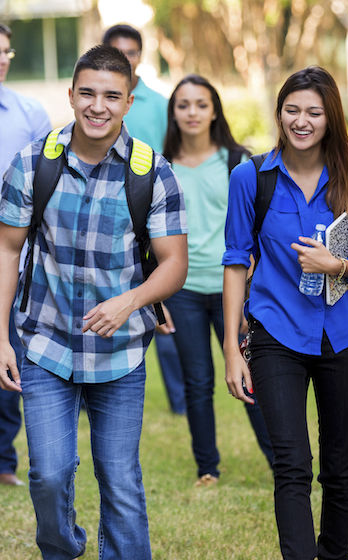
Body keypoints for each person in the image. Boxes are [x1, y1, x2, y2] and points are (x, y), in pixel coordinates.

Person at [0, 45, 188, 559]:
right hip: (45, 344)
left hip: (121, 354)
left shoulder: (152, 171)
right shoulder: (35, 162)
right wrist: (1, 339)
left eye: (111, 95)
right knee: (48, 473)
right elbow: (7, 248)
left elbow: (174, 263)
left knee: (120, 479)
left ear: (129, 101)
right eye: (87, 93)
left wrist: (131, 301)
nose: (97, 106)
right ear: (71, 95)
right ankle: (64, 547)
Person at [223, 66, 348, 560]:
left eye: (314, 111)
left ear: (331, 117)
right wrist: (232, 346)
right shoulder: (251, 177)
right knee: (291, 462)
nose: (302, 120)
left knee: (339, 463)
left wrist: (337, 264)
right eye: (292, 110)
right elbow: (234, 260)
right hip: (276, 333)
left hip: (344, 331)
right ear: (279, 114)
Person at [162, 73, 273, 486]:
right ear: (173, 112)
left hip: (234, 288)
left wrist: (251, 291)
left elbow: (259, 232)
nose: (192, 112)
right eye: (184, 104)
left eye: (201, 104)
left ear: (214, 111)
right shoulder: (160, 166)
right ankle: (207, 468)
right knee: (198, 381)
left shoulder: (238, 162)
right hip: (184, 290)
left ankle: (282, 464)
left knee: (250, 375)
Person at [102, 23, 186, 414]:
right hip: (107, 219)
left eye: (132, 52)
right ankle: (90, 392)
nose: (126, 58)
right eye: (117, 50)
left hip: (151, 215)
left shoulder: (157, 102)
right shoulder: (97, 100)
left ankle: (179, 400)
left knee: (159, 304)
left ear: (140, 55)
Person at [0, 22, 51, 487]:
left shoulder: (30, 113)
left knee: (10, 357)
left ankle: (3, 461)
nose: (0, 59)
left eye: (5, 53)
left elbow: (47, 185)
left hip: (11, 256)